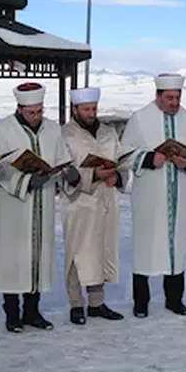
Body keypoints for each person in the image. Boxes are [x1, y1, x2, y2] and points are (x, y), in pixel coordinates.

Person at [0, 83, 79, 331]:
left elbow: (62, 158)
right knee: (13, 258)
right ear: (20, 109)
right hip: (13, 203)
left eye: (40, 111)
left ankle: (32, 311)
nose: (37, 116)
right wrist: (26, 180)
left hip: (43, 200)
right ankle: (12, 313)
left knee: (38, 255)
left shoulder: (52, 128)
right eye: (31, 113)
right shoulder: (3, 129)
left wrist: (68, 173)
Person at [118, 73, 186, 317]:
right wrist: (148, 158)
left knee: (176, 247)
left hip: (179, 193)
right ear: (158, 96)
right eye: (169, 98)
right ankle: (141, 302)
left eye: (178, 97)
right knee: (146, 247)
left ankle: (174, 299)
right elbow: (124, 153)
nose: (175, 103)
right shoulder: (140, 118)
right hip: (150, 195)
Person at [60, 86, 126, 324]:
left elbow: (122, 160)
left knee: (100, 250)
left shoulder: (108, 132)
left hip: (105, 199)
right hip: (79, 203)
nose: (91, 113)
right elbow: (63, 170)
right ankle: (76, 304)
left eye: (94, 109)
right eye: (86, 109)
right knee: (77, 253)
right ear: (75, 109)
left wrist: (117, 176)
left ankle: (97, 303)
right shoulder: (65, 135)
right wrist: (93, 175)